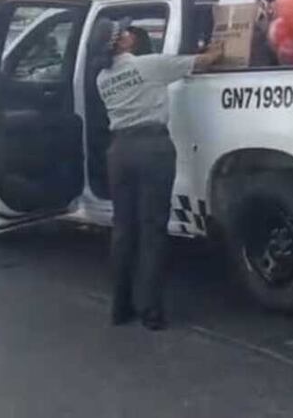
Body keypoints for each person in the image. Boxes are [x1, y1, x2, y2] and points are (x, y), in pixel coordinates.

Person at [91, 21, 222, 330]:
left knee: (123, 230)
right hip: (152, 149)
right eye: (123, 33)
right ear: (119, 44)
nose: (130, 34)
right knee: (152, 230)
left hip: (119, 152)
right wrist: (221, 47)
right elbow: (202, 61)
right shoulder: (150, 66)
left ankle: (120, 307)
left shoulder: (101, 79)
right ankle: (150, 309)